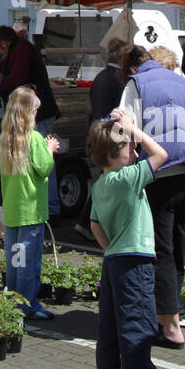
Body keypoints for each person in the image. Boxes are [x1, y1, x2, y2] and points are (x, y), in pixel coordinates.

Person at [118, 45, 185, 348]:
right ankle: (170, 315)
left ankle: (169, 325)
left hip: (159, 173)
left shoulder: (136, 84)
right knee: (179, 247)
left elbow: (122, 129)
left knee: (160, 248)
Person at [88, 110, 180, 369]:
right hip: (135, 261)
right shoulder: (128, 178)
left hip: (114, 260)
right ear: (114, 155)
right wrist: (136, 130)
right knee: (138, 331)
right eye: (129, 146)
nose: (135, 151)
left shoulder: (100, 184)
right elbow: (162, 154)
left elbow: (94, 225)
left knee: (111, 331)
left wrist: (111, 248)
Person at [0, 86, 60, 320]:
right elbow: (44, 168)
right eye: (35, 109)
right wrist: (50, 149)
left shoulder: (6, 137)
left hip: (12, 211)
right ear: (27, 112)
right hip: (31, 210)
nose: (36, 114)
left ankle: (13, 299)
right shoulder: (34, 138)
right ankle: (28, 304)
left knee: (14, 259)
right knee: (29, 261)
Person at [74, 38, 128, 240]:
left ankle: (87, 222)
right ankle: (88, 223)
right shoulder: (118, 79)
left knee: (101, 182)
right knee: (105, 184)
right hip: (110, 136)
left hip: (97, 131)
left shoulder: (100, 77)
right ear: (122, 58)